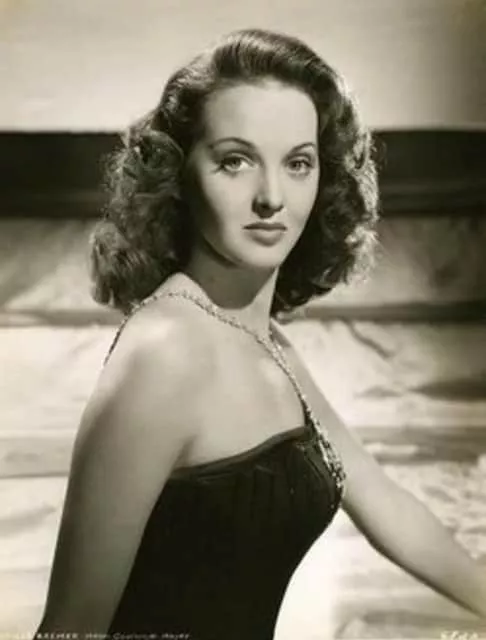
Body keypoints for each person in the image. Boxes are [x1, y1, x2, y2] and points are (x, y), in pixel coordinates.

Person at [34, 28, 486, 639]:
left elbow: (386, 507)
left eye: (298, 163)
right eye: (235, 160)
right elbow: (71, 626)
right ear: (178, 173)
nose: (272, 197)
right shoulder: (164, 351)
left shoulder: (262, 340)